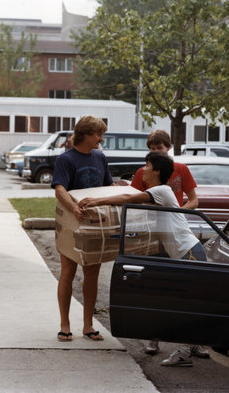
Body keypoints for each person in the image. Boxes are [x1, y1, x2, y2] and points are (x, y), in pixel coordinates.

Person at [79, 153, 208, 366]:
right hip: (183, 251)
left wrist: (96, 200)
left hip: (189, 250)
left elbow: (129, 199)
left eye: (147, 165)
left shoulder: (163, 190)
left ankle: (185, 350)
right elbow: (130, 201)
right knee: (180, 301)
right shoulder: (156, 192)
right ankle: (185, 349)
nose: (143, 169)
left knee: (184, 303)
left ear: (157, 171)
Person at [130, 130, 209, 364]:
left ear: (168, 148)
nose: (155, 152)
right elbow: (132, 200)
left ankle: (191, 344)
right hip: (159, 238)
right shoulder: (144, 174)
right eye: (152, 149)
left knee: (186, 296)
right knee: (160, 289)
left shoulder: (177, 172)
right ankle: (156, 337)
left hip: (181, 240)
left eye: (159, 148)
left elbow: (194, 199)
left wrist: (176, 212)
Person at [51, 115, 113, 342]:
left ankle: (88, 325)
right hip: (70, 223)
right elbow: (59, 188)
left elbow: (108, 186)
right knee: (68, 272)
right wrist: (74, 208)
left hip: (94, 225)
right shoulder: (66, 159)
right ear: (85, 134)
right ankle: (65, 324)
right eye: (98, 134)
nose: (101, 139)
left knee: (92, 274)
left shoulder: (100, 158)